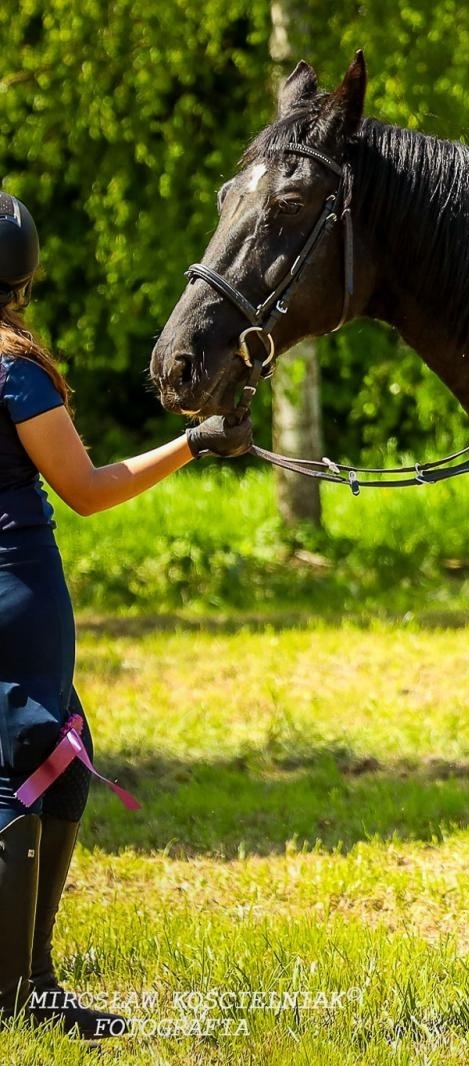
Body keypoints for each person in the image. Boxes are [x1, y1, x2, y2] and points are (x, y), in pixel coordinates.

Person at [0, 191, 252, 1038]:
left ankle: (33, 985)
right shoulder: (13, 370)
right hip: (17, 590)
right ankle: (18, 997)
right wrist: (195, 442)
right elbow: (87, 489)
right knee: (32, 757)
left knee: (56, 761)